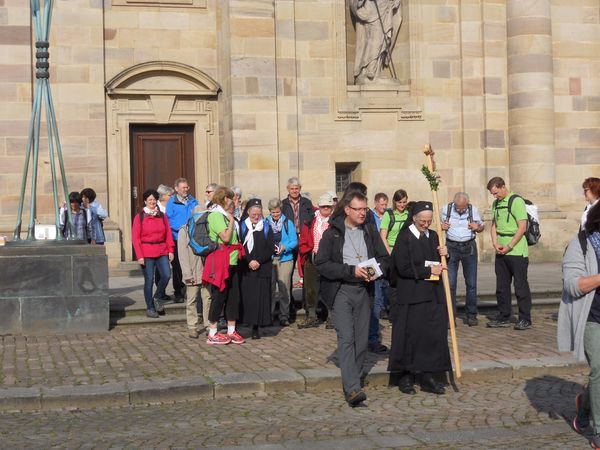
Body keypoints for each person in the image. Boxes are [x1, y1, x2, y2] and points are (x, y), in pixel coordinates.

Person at [315, 191, 390, 407]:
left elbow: (385, 259)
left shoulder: (370, 230)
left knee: (362, 340)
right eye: (358, 209)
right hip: (341, 291)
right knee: (346, 338)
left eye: (365, 209)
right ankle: (352, 389)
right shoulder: (333, 234)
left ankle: (354, 378)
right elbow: (321, 264)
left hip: (365, 291)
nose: (362, 213)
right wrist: (350, 271)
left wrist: (376, 271)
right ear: (347, 210)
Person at [388, 201, 452, 396]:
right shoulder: (404, 237)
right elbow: (402, 267)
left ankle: (428, 376)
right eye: (422, 221)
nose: (426, 224)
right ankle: (405, 376)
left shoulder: (434, 236)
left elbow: (440, 265)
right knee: (409, 335)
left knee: (430, 336)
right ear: (414, 218)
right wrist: (427, 271)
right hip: (411, 294)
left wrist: (445, 255)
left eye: (429, 221)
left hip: (432, 294)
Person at [558, 203, 600, 447]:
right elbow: (573, 285)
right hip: (593, 316)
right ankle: (597, 431)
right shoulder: (581, 244)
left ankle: (584, 406)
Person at [486, 177, 532, 330]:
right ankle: (504, 316)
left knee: (520, 286)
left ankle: (525, 318)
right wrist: (495, 243)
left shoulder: (516, 201)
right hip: (501, 250)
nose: (495, 196)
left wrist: (510, 246)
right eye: (493, 194)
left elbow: (522, 227)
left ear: (503, 186)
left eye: (496, 193)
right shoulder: (496, 204)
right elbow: (494, 225)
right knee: (502, 287)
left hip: (517, 251)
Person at [204, 186, 245, 345]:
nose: (233, 201)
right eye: (230, 198)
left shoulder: (227, 215)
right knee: (218, 296)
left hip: (233, 260)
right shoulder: (216, 215)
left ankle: (231, 329)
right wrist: (232, 220)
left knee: (233, 297)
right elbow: (226, 238)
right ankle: (212, 332)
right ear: (223, 199)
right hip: (220, 261)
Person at [441, 192, 484, 326]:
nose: (460, 210)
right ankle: (450, 316)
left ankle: (471, 315)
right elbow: (437, 226)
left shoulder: (473, 210)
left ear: (467, 203)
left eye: (463, 208)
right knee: (450, 283)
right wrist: (442, 227)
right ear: (454, 203)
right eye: (458, 208)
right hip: (451, 247)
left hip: (469, 247)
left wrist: (478, 227)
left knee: (471, 284)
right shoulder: (445, 209)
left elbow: (482, 226)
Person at [131, 189, 174, 318]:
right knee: (149, 280)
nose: (152, 202)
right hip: (146, 252)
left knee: (166, 275)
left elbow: (168, 234)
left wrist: (170, 250)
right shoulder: (139, 217)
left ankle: (157, 297)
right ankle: (150, 308)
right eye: (150, 199)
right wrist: (139, 256)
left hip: (161, 250)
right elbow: (135, 238)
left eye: (154, 199)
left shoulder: (162, 216)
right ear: (145, 201)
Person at [240, 199, 275, 339]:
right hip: (246, 268)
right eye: (253, 214)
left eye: (258, 214)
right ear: (248, 212)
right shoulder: (242, 227)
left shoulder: (266, 227)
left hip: (262, 268)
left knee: (261, 299)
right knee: (248, 298)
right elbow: (239, 246)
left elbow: (270, 247)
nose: (256, 216)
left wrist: (258, 261)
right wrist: (249, 260)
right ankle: (247, 323)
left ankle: (257, 327)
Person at [298, 193, 334, 329]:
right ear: (319, 206)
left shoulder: (335, 221)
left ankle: (331, 317)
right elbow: (303, 239)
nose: (326, 209)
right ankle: (312, 316)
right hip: (312, 258)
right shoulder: (310, 220)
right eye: (323, 206)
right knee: (310, 289)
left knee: (329, 288)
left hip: (329, 260)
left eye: (328, 206)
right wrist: (305, 251)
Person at [178, 205, 212, 339]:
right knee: (191, 300)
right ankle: (192, 326)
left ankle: (208, 324)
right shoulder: (184, 230)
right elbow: (182, 254)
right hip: (192, 270)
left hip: (205, 270)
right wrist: (187, 273)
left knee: (207, 298)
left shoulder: (208, 229)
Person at [349, 0, 403, 85]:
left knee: (385, 41)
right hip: (371, 11)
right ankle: (369, 70)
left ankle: (378, 72)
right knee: (375, 40)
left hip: (385, 9)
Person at [165, 178, 199, 303]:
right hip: (177, 238)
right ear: (176, 189)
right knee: (178, 266)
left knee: (192, 264)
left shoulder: (193, 201)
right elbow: (169, 220)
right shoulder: (171, 203)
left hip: (192, 238)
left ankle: (189, 290)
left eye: (187, 187)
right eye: (183, 187)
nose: (186, 189)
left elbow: (198, 215)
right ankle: (178, 291)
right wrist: (182, 228)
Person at [266, 198, 298, 327]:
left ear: (281, 210)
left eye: (277, 212)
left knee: (284, 288)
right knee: (271, 289)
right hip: (270, 260)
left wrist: (284, 247)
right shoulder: (265, 222)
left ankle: (284, 315)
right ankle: (269, 314)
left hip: (285, 259)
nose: (275, 215)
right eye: (273, 212)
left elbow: (294, 241)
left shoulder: (287, 222)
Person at [281, 177, 315, 289]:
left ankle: (307, 302)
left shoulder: (307, 202)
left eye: (296, 188)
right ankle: (290, 303)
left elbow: (312, 218)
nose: (294, 191)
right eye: (292, 188)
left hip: (304, 239)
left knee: (306, 270)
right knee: (288, 272)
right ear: (288, 189)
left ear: (300, 189)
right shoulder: (283, 204)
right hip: (290, 240)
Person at [368, 192, 391, 353]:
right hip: (369, 262)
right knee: (373, 301)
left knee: (379, 297)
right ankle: (370, 338)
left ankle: (373, 339)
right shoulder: (369, 217)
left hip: (380, 261)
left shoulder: (388, 216)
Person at [380, 189, 410, 255]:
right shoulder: (388, 215)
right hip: (391, 250)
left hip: (406, 251)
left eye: (404, 202)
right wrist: (390, 253)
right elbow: (383, 237)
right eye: (399, 202)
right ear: (394, 201)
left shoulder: (409, 214)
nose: (402, 205)